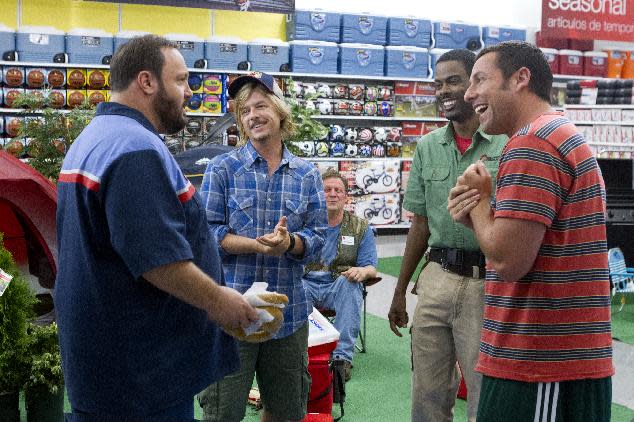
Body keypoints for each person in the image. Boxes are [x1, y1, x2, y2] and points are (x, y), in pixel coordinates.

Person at [55, 35, 258, 421]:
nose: (188, 92)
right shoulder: (135, 149)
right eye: (180, 80)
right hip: (142, 376)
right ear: (147, 82)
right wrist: (218, 300)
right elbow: (156, 259)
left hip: (109, 364)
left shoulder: (95, 138)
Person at [448, 41, 614, 422]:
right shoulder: (558, 134)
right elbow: (534, 246)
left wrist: (479, 204)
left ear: (521, 78)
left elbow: (507, 261)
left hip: (539, 360)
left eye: (480, 79)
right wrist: (479, 214)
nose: (469, 93)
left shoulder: (532, 144)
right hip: (561, 358)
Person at [198, 71, 327, 422]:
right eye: (244, 111)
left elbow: (319, 242)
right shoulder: (222, 169)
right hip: (231, 311)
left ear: (280, 111)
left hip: (289, 315)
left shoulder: (307, 174)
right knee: (222, 413)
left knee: (286, 412)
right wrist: (257, 245)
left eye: (260, 105)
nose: (252, 115)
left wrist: (291, 244)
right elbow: (206, 235)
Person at [387, 49, 508, 422]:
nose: (444, 91)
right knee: (427, 394)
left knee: (484, 393)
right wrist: (398, 291)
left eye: (453, 80)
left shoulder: (507, 144)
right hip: (435, 279)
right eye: (437, 84)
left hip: (486, 283)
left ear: (475, 84)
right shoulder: (426, 146)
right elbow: (420, 224)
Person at [302, 168, 378, 382]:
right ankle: (299, 354)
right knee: (294, 287)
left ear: (346, 197)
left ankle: (341, 359)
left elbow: (371, 267)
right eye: (327, 190)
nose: (332, 194)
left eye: (338, 190)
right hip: (306, 282)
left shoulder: (360, 227)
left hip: (337, 286)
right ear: (318, 193)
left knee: (350, 284)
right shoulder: (305, 222)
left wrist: (362, 271)